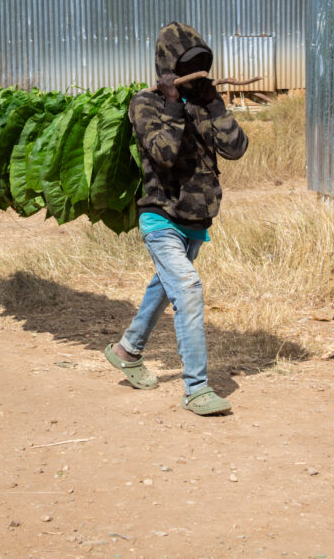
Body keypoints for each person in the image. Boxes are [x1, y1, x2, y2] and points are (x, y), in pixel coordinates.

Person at [103, 21, 248, 416]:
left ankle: (127, 349)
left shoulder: (203, 101)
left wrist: (215, 101)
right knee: (186, 288)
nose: (195, 71)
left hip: (197, 220)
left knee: (164, 287)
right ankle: (196, 388)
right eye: (187, 64)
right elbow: (163, 152)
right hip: (160, 216)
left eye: (201, 63)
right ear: (167, 68)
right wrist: (171, 104)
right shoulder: (144, 104)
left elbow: (236, 149)